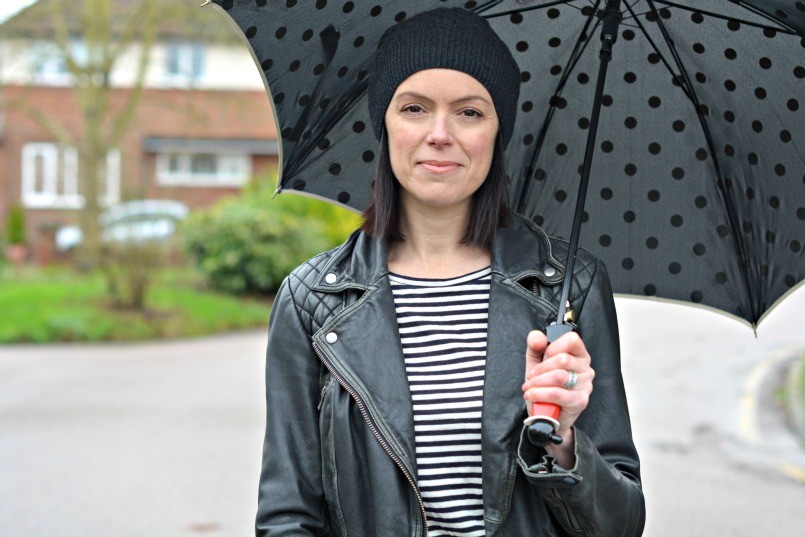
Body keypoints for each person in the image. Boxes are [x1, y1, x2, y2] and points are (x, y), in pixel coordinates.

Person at [256, 7, 644, 537]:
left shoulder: (568, 288)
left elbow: (621, 525)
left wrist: (564, 442)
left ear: (496, 132)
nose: (440, 134)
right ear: (384, 123)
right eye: (414, 108)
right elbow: (288, 516)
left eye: (469, 113)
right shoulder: (313, 302)